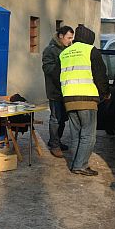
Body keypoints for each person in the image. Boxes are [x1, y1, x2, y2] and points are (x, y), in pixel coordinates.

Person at [59, 24, 110, 176]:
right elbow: (100, 75)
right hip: (86, 98)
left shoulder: (65, 53)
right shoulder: (90, 51)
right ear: (89, 39)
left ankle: (76, 162)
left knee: (75, 134)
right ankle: (80, 165)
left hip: (68, 98)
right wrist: (105, 93)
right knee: (88, 134)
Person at [42, 26, 74, 158]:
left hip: (67, 90)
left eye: (72, 38)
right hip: (55, 90)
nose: (71, 41)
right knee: (55, 118)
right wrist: (63, 71)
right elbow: (48, 68)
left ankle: (56, 141)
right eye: (69, 38)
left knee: (63, 119)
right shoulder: (50, 50)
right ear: (61, 36)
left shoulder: (69, 49)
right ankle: (54, 145)